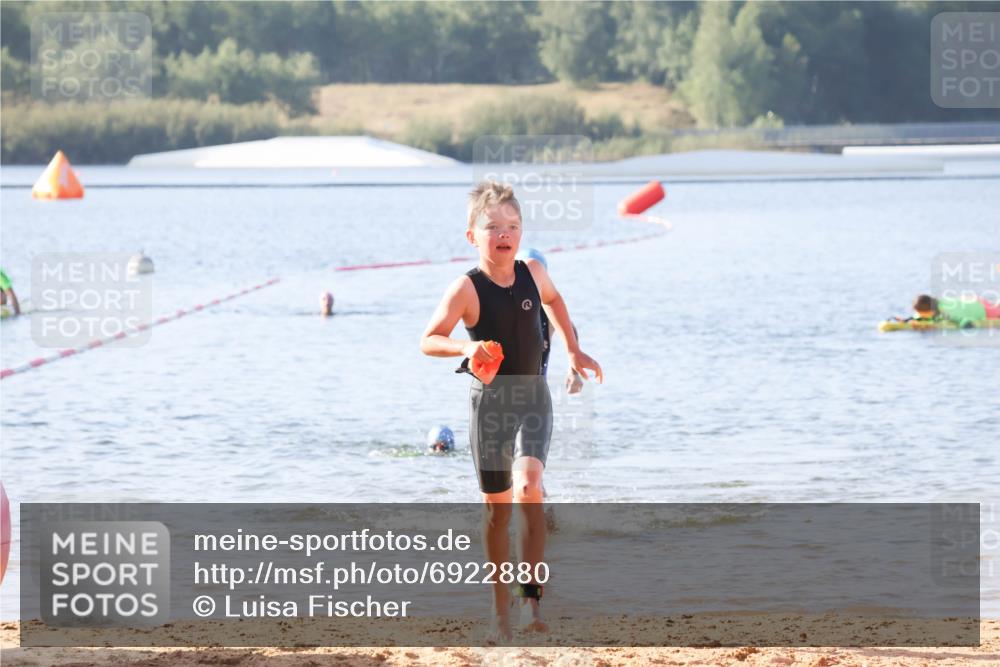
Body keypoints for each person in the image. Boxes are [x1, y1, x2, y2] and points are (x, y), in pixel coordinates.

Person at [420, 181, 603, 642]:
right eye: (493, 227)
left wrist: (574, 351)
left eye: (513, 226)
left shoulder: (533, 273)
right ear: (472, 236)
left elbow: (556, 301)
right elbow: (429, 339)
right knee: (497, 514)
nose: (504, 234)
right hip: (489, 407)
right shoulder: (466, 288)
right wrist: (467, 345)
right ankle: (500, 611)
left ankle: (530, 602)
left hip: (533, 398)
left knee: (530, 486)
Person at [516, 248, 583, 395]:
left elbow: (570, 331)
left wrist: (574, 371)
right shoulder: (506, 304)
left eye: (536, 277)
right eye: (525, 276)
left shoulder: (549, 311)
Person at [911, 293, 999, 328]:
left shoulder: (946, 312)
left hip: (979, 307)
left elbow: (962, 318)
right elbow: (921, 316)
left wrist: (966, 325)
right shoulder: (937, 303)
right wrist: (907, 320)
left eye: (920, 313)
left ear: (929, 310)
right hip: (969, 300)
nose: (918, 314)